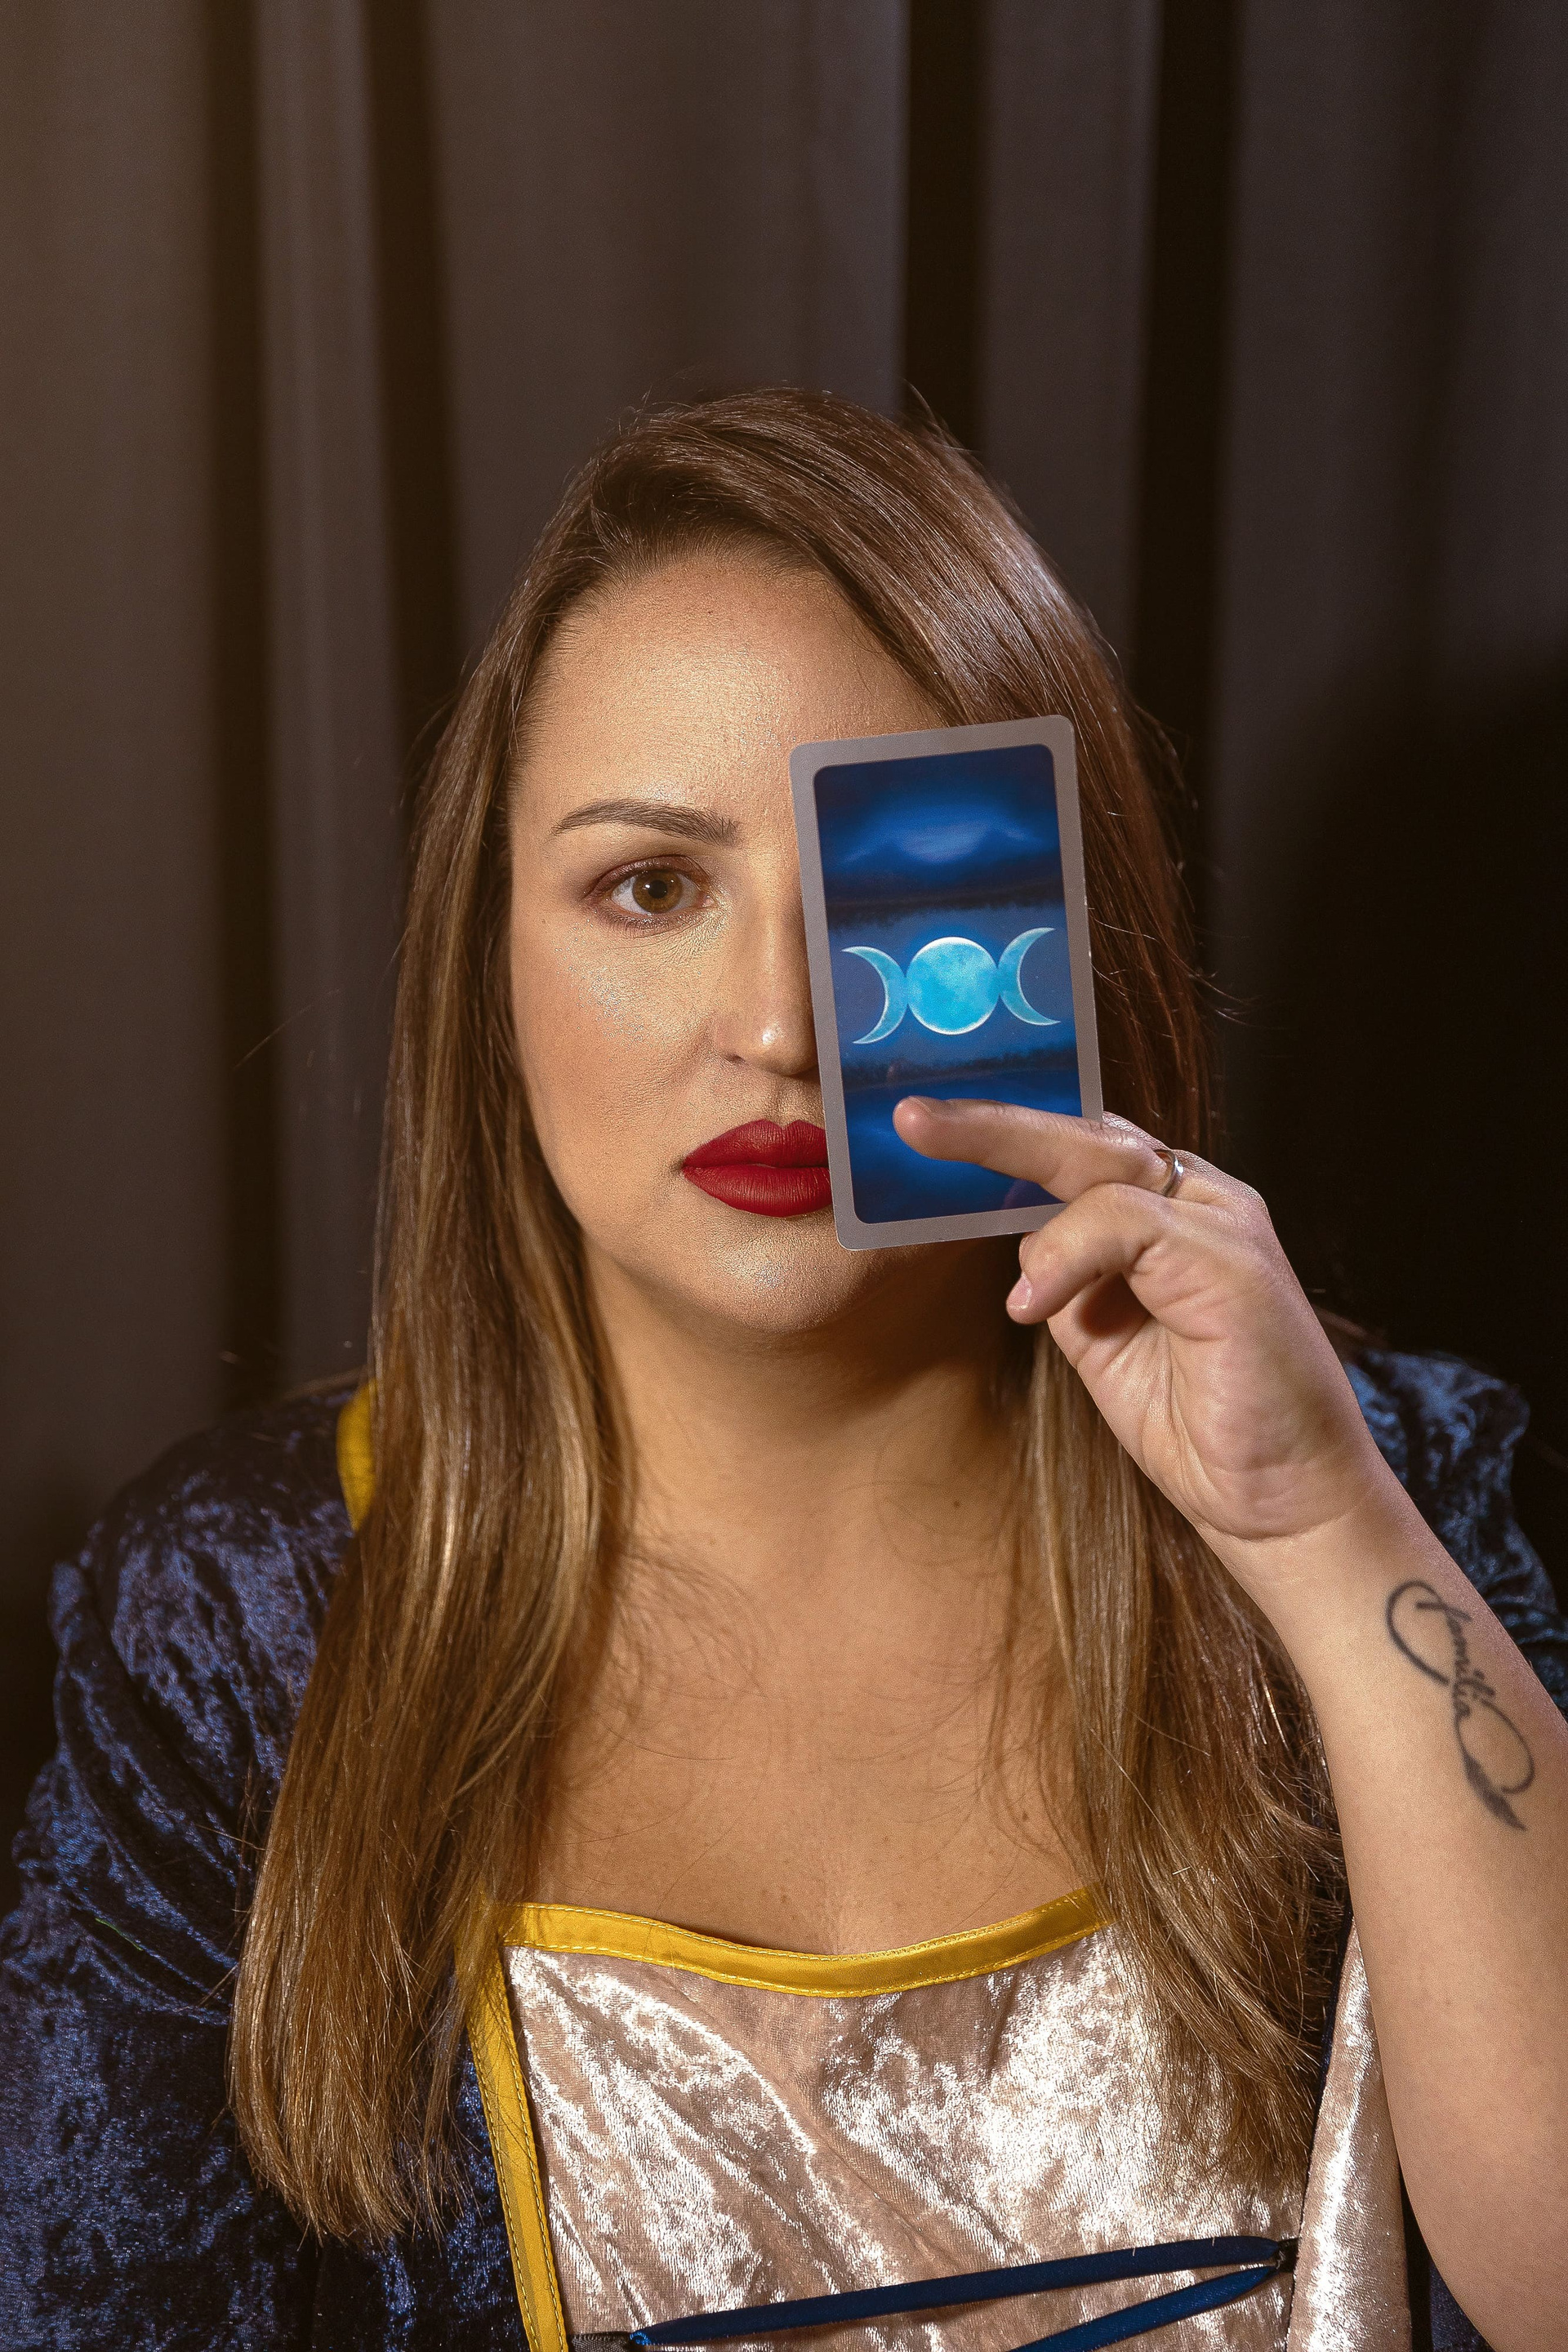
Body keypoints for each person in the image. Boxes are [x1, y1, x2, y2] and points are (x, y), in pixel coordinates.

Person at [2, 391, 1565, 2352]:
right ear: (490, 959)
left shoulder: (1387, 1478)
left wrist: (1324, 1537)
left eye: (889, 889)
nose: (778, 1027)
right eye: (652, 887)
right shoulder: (242, 1610)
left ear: (1061, 928)